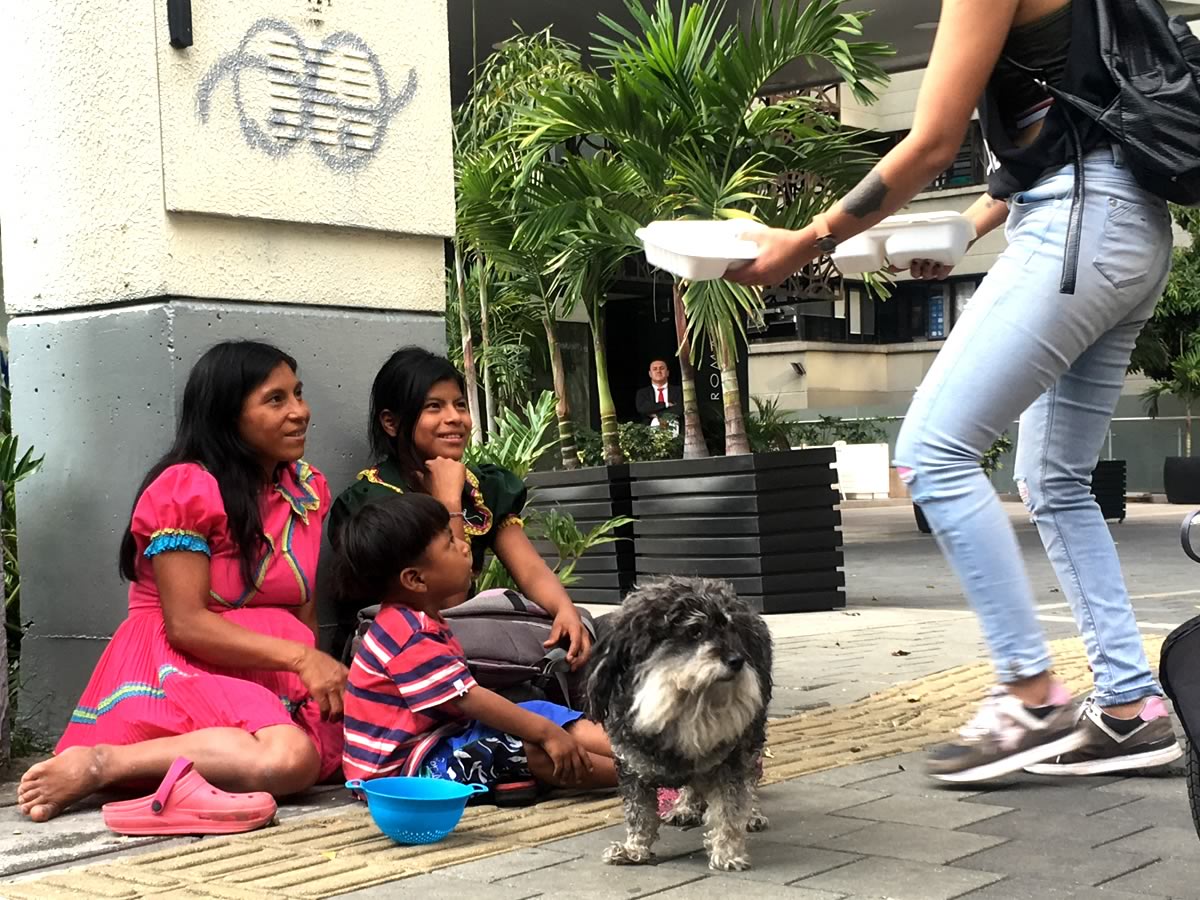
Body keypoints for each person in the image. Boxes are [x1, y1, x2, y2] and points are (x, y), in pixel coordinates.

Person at [728, 0, 1182, 782]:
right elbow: (1074, 126)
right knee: (1055, 479)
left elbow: (932, 140)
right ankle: (1130, 708)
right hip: (1129, 226)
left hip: (1077, 227)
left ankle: (1031, 694)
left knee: (935, 452)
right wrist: (964, 231)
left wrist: (800, 244)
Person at [17, 341, 347, 822]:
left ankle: (187, 778)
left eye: (298, 394)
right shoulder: (185, 489)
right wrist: (303, 659)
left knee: (331, 751)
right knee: (288, 758)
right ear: (227, 415)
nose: (300, 412)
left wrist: (307, 677)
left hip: (268, 666)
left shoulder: (306, 488)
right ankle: (102, 762)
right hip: (180, 660)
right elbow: (187, 625)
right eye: (276, 400)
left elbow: (303, 609)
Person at [329, 346, 592, 668]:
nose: (454, 418)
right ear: (391, 423)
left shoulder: (482, 485)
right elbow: (449, 601)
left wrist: (564, 609)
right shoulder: (373, 500)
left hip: (461, 647)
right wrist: (449, 502)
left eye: (460, 405)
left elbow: (530, 569)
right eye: (434, 407)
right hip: (396, 658)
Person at [335, 493, 617, 790]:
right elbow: (468, 698)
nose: (464, 546)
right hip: (404, 772)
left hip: (442, 737)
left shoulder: (419, 619)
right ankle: (639, 783)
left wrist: (543, 725)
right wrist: (546, 733)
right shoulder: (406, 634)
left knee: (537, 711)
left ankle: (648, 759)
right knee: (525, 747)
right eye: (449, 543)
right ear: (415, 579)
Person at [635, 358, 682, 428]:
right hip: (649, 429)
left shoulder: (678, 391)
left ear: (667, 373)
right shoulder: (642, 393)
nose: (658, 371)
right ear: (650, 374)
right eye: (655, 369)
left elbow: (679, 409)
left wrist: (657, 414)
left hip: (676, 427)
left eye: (662, 368)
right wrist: (665, 404)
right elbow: (643, 408)